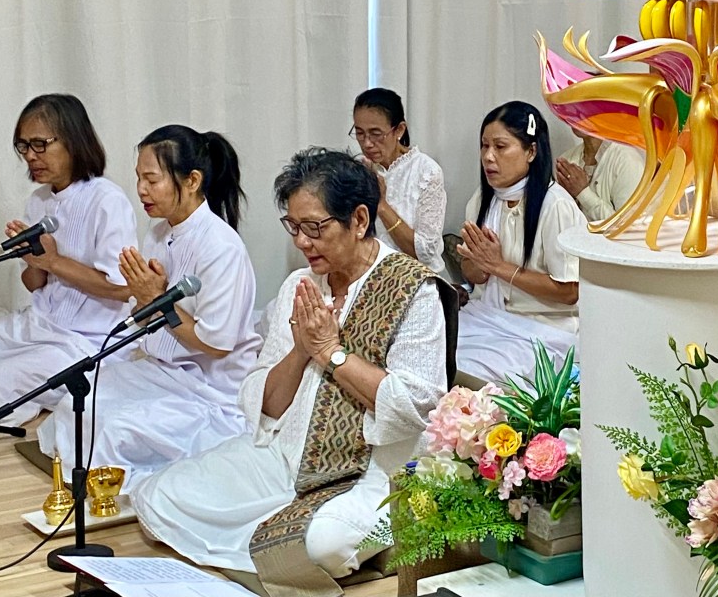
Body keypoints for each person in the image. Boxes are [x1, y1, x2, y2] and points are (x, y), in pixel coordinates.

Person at [133, 149, 451, 593]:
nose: (302, 241)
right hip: (287, 456)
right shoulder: (299, 286)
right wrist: (301, 351)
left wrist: (331, 354)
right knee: (157, 495)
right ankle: (274, 542)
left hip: (371, 472)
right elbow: (267, 403)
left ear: (359, 220)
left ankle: (311, 537)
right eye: (294, 226)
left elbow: (414, 406)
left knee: (320, 546)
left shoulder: (413, 290)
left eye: (315, 228)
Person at [37, 125, 262, 491]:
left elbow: (216, 344)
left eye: (152, 180)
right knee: (78, 404)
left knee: (114, 429)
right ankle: (95, 483)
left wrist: (157, 301)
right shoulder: (158, 233)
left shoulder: (222, 247)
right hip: (163, 371)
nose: (141, 190)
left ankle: (130, 497)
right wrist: (145, 300)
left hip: (210, 389)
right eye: (139, 178)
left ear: (192, 181)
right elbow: (146, 316)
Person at [0, 94, 136, 425]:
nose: (30, 156)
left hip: (87, 340)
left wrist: (54, 261)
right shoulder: (38, 200)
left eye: (40, 144)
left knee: (0, 378)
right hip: (39, 324)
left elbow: (121, 288)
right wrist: (34, 261)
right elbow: (34, 284)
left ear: (73, 140)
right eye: (24, 146)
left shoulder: (107, 200)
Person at [457, 101, 585, 383]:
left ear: (531, 151)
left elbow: (570, 292)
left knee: (469, 369)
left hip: (542, 329)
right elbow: (471, 272)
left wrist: (498, 266)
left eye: (500, 147)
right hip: (487, 316)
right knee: (434, 353)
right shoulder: (482, 199)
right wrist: (479, 265)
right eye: (484, 146)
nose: (488, 157)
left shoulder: (556, 205)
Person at [352, 88, 447, 274]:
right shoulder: (358, 169)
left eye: (376, 134)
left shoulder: (426, 172)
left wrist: (381, 205)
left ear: (399, 130)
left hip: (416, 278)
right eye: (360, 133)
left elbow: (424, 252)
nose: (367, 143)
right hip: (368, 276)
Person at [555, 126, 645, 223]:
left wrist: (583, 193)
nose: (576, 118)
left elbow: (628, 226)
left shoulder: (626, 160)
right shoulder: (568, 159)